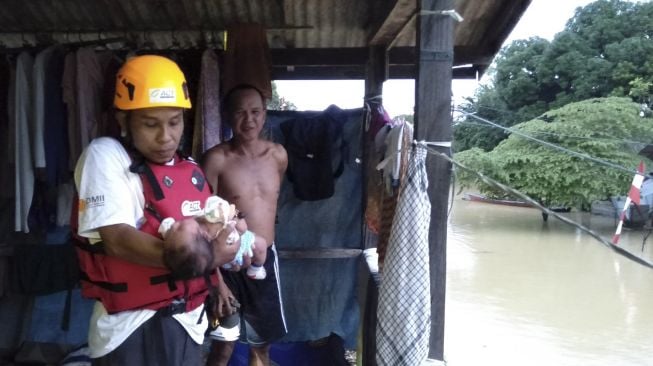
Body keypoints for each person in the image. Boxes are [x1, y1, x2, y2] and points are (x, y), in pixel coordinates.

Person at [74, 55, 242, 365]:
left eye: (174, 122)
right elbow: (118, 240)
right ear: (124, 120)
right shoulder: (105, 156)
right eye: (150, 124)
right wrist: (211, 258)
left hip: (190, 322)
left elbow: (204, 231)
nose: (165, 136)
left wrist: (217, 281)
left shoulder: (188, 167)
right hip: (130, 327)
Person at [202, 84, 288, 366]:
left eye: (255, 112)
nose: (248, 120)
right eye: (240, 113)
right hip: (226, 265)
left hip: (262, 262)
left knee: (261, 346)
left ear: (265, 114)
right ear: (227, 115)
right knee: (222, 346)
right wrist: (216, 280)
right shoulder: (216, 160)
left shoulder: (278, 156)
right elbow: (203, 222)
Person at [159, 195, 269, 280]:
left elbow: (167, 226)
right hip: (238, 249)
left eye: (172, 231)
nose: (174, 225)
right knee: (262, 244)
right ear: (203, 234)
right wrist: (234, 215)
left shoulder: (189, 238)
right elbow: (242, 229)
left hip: (225, 259)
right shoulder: (218, 231)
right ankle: (255, 269)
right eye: (180, 227)